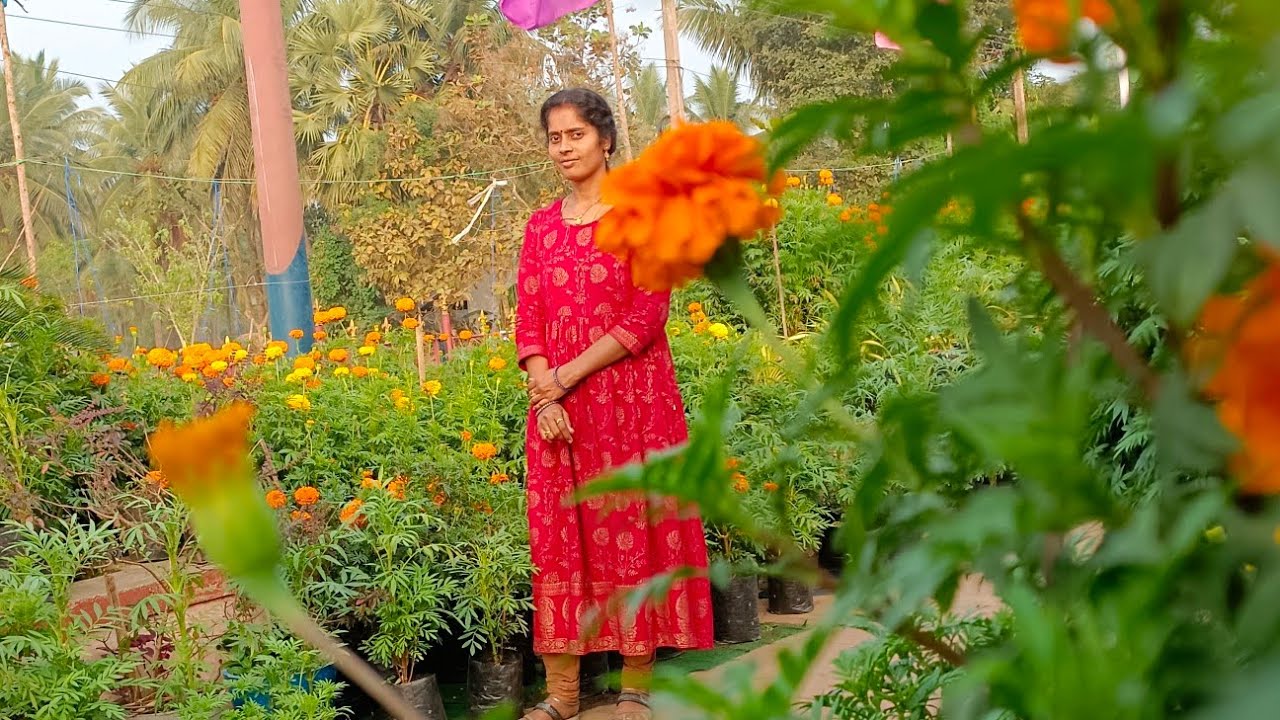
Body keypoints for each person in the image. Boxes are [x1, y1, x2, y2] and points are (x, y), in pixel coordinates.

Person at [515, 88, 716, 720]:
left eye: (576, 134)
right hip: (559, 413)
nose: (564, 147)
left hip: (631, 403)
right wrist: (546, 392)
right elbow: (530, 318)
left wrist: (565, 377)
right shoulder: (540, 227)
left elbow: (647, 315)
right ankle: (564, 696)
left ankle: (635, 687)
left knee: (634, 533)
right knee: (561, 542)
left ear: (605, 139)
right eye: (555, 137)